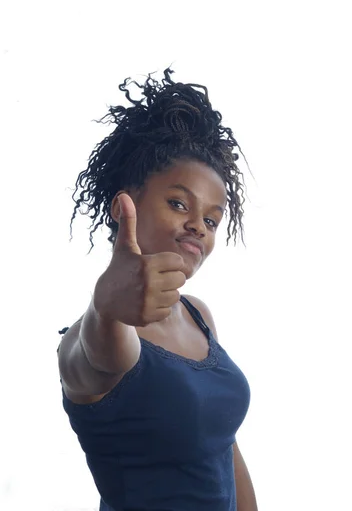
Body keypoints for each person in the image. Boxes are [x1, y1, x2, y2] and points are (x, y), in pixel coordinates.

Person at [57, 68, 258, 511]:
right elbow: (94, 356)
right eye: (178, 204)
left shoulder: (199, 316)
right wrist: (107, 305)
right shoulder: (94, 335)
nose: (197, 228)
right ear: (125, 205)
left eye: (211, 219)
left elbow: (224, 448)